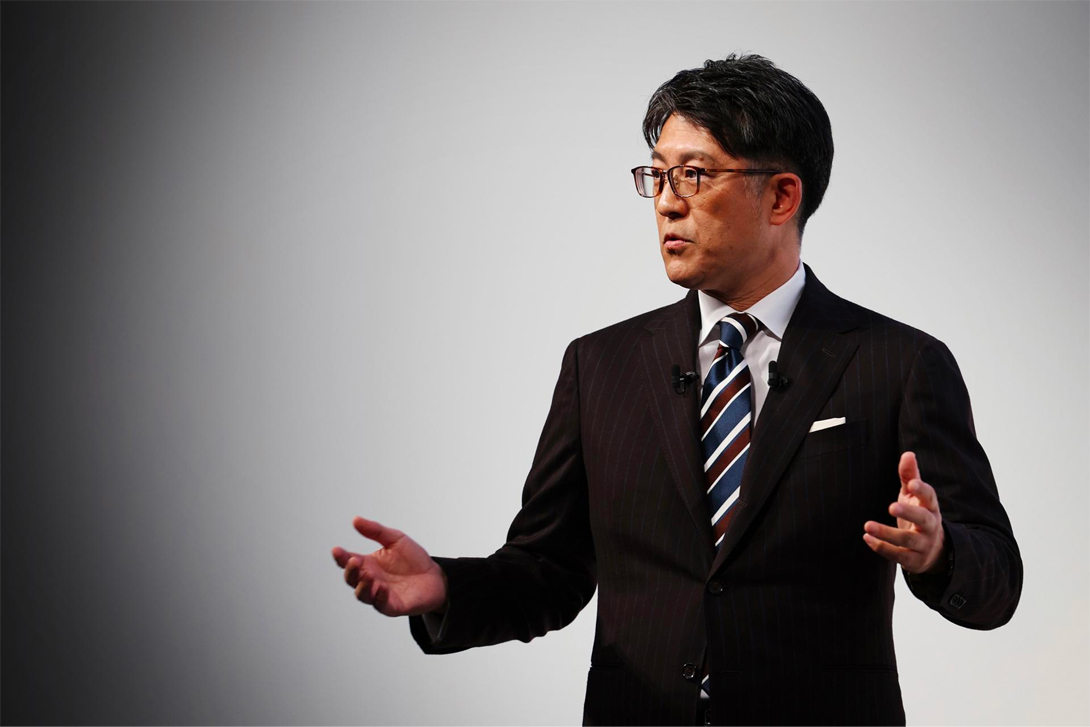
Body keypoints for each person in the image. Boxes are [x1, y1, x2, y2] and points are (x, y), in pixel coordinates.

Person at [331, 54, 1021, 726]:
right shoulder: (599, 365)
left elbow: (998, 579)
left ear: (782, 196)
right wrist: (445, 587)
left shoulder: (899, 363)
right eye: (657, 175)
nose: (667, 201)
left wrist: (939, 551)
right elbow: (548, 569)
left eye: (694, 174)